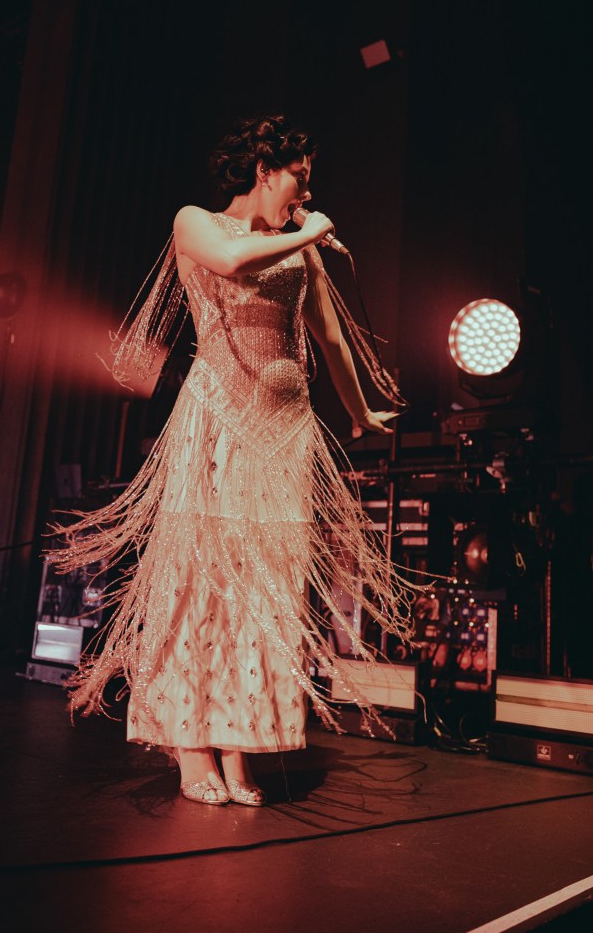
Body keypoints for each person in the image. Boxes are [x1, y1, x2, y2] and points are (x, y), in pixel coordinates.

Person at [50, 114, 416, 807]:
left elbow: (330, 336)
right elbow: (229, 262)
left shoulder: (295, 243)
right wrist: (310, 233)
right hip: (217, 422)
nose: (306, 192)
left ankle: (239, 746)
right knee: (200, 581)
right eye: (300, 177)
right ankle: (191, 746)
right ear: (264, 171)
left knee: (265, 590)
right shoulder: (196, 222)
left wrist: (361, 410)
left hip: (283, 431)